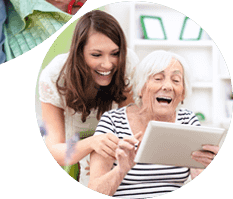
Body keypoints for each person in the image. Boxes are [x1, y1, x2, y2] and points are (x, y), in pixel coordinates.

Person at [88, 50, 221, 197]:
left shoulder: (187, 121)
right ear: (140, 88)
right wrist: (121, 170)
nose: (168, 86)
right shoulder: (113, 121)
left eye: (176, 80)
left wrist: (201, 168)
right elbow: (95, 188)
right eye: (158, 78)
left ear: (182, 93)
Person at [38, 10, 138, 186]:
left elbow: (129, 128)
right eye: (96, 55)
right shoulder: (53, 77)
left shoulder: (127, 64)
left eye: (114, 53)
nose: (107, 64)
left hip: (113, 154)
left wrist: (107, 161)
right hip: (72, 154)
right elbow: (54, 150)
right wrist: (93, 143)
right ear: (79, 53)